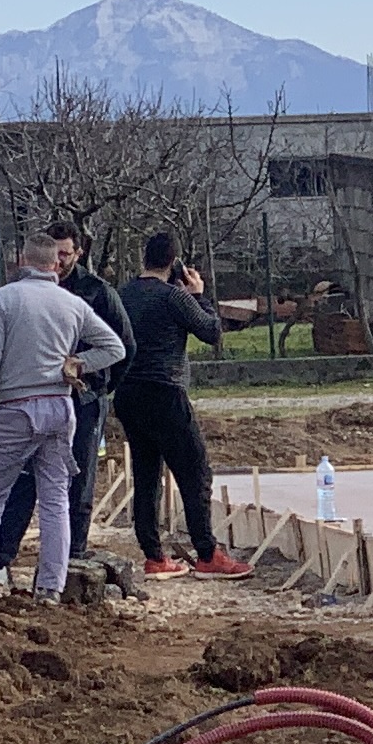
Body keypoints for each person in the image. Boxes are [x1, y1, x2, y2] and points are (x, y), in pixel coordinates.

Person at [0, 230, 125, 596]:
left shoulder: (5, 299)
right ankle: (50, 589)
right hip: (61, 409)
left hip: (17, 410)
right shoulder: (72, 304)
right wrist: (79, 362)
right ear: (55, 264)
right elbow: (115, 347)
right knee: (55, 499)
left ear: (22, 261)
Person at [113, 231, 253, 581]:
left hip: (128, 393)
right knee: (195, 473)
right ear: (174, 262)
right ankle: (207, 554)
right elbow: (211, 331)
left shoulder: (122, 295)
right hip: (165, 391)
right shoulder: (174, 297)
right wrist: (200, 295)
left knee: (146, 475)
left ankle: (153, 556)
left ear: (144, 258)